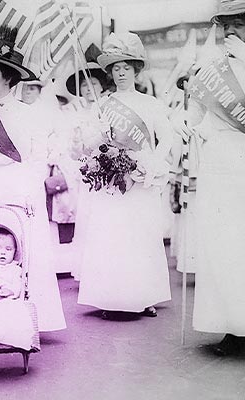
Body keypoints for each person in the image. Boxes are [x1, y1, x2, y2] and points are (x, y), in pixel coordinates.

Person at [0, 25, 66, 332]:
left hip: (23, 191)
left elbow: (37, 159)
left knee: (29, 253)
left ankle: (33, 319)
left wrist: (26, 192)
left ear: (9, 78)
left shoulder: (29, 115)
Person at [76, 32, 173, 319]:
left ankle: (145, 297)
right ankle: (111, 297)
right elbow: (89, 143)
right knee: (112, 236)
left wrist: (151, 164)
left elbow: (164, 139)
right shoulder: (101, 105)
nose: (120, 73)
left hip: (140, 177)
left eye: (125, 68)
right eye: (115, 68)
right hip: (111, 180)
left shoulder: (150, 104)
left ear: (135, 70)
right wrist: (100, 137)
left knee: (140, 237)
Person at [183, 1, 245, 356]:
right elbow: (199, 117)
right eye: (227, 26)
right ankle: (231, 326)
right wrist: (188, 124)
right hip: (220, 162)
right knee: (223, 246)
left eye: (239, 24)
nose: (231, 32)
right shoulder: (211, 70)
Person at [65, 61, 112, 280]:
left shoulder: (108, 107)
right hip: (87, 171)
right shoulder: (75, 113)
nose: (88, 89)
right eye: (84, 85)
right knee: (87, 218)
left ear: (102, 85)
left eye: (93, 83)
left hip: (109, 169)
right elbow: (73, 149)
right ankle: (87, 271)